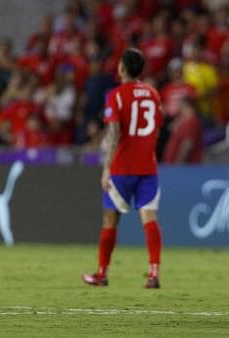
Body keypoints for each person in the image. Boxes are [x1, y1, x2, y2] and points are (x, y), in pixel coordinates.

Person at [82, 48, 163, 289]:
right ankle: (153, 273)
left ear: (122, 68)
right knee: (149, 219)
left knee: (110, 220)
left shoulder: (116, 95)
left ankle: (102, 273)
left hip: (122, 167)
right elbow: (156, 130)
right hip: (148, 166)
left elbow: (114, 132)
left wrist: (106, 168)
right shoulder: (153, 94)